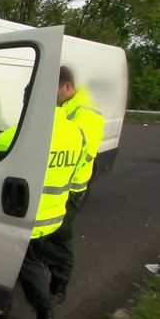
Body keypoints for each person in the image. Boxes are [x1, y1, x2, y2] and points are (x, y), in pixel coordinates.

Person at [0, 105, 86, 319]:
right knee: (46, 256)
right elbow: (80, 177)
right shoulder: (77, 132)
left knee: (25, 263)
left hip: (29, 216)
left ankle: (44, 309)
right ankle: (57, 289)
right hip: (57, 215)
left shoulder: (15, 135)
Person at [43, 66, 105, 305]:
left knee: (60, 238)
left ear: (67, 86)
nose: (52, 95)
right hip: (60, 184)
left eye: (55, 90)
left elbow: (78, 154)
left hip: (70, 189)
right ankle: (38, 273)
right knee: (44, 234)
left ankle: (59, 287)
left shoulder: (85, 113)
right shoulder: (70, 106)